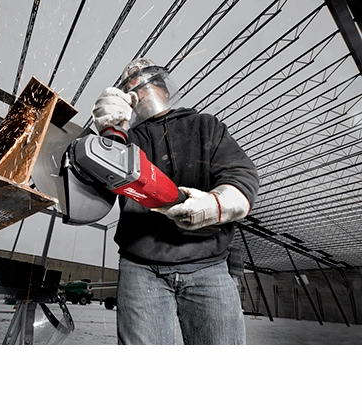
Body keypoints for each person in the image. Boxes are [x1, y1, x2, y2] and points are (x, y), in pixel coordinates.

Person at [91, 58, 259, 345]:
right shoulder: (127, 140)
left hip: (208, 263)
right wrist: (105, 136)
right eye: (133, 89)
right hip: (141, 267)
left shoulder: (205, 125)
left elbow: (241, 173)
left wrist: (217, 204)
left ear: (165, 90)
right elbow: (94, 185)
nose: (141, 92)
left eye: (148, 85)